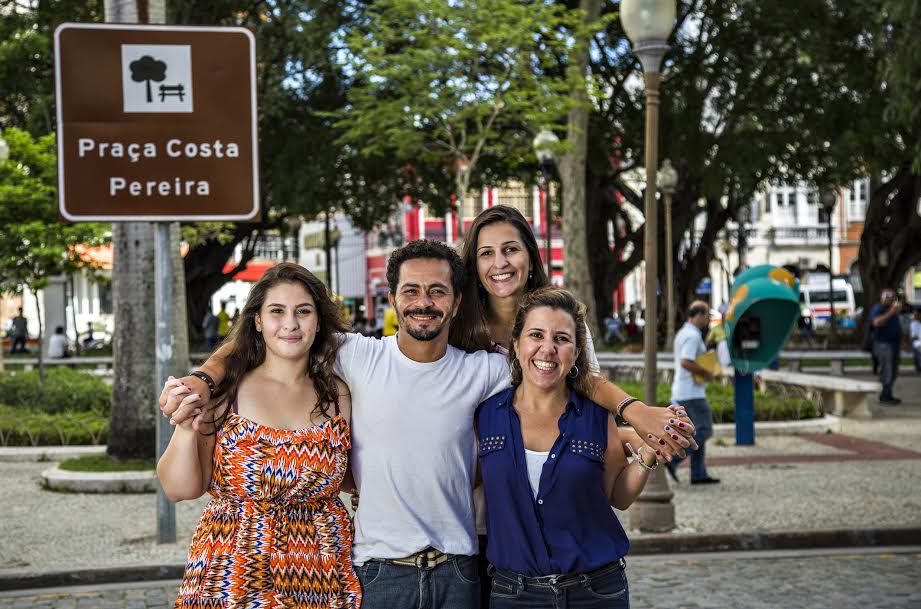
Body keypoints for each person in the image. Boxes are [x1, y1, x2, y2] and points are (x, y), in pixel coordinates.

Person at [162, 240, 694, 609]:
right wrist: (204, 380)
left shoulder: (484, 371)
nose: (424, 302)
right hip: (378, 571)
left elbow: (558, 365)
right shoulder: (356, 357)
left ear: (456, 301)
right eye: (411, 291)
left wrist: (633, 415)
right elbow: (269, 330)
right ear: (393, 298)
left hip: (459, 568)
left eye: (438, 291)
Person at [158, 263, 359, 608]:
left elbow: (353, 478)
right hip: (232, 571)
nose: (291, 324)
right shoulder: (225, 392)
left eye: (303, 312)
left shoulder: (337, 393)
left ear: (319, 321)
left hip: (322, 572)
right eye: (277, 311)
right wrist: (185, 428)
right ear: (258, 321)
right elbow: (179, 489)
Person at [477, 288, 655, 608]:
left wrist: (647, 455)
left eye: (561, 339)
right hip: (513, 595)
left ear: (575, 353)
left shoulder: (597, 416)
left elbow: (619, 496)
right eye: (536, 335)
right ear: (517, 345)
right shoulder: (486, 415)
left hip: (596, 591)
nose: (548, 349)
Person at [666, 300, 720, 485]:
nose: (707, 320)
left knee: (698, 431)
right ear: (698, 315)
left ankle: (698, 473)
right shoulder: (692, 336)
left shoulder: (684, 332)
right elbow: (686, 361)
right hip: (691, 393)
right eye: (706, 315)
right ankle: (674, 460)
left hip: (686, 390)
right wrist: (706, 373)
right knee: (704, 429)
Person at [871, 288, 903, 405]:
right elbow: (877, 323)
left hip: (895, 344)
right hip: (884, 344)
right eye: (888, 298)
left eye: (892, 298)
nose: (890, 300)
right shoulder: (878, 309)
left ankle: (888, 393)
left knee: (894, 371)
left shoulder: (894, 311)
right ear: (883, 299)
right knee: (887, 370)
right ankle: (884, 396)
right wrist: (891, 312)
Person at [911, 308, 921, 374]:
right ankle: (918, 368)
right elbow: (914, 337)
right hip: (917, 344)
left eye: (916, 314)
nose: (914, 316)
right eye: (914, 314)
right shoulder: (913, 323)